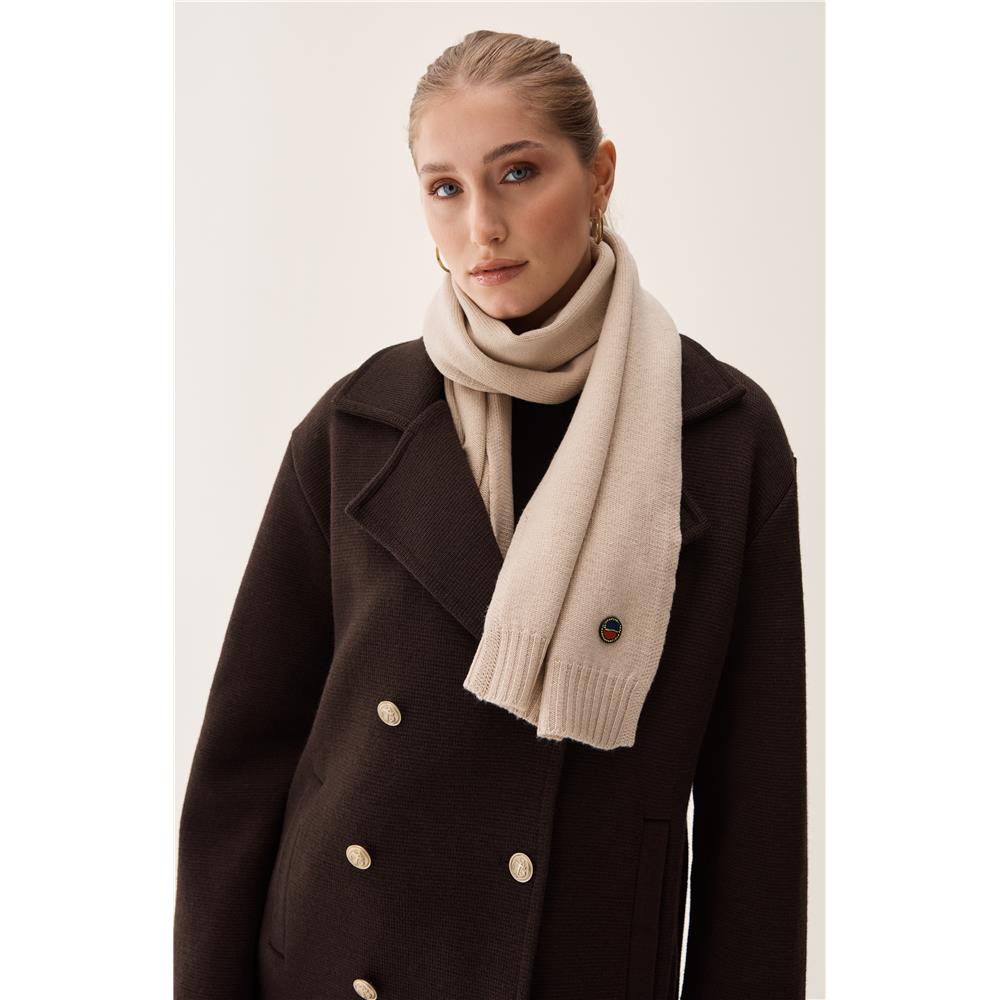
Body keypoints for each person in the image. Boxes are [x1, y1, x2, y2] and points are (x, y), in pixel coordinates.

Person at [174, 29, 808, 1000]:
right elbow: (242, 768)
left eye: (517, 173)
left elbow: (755, 814)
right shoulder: (357, 425)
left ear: (598, 177)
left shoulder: (722, 437)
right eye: (445, 187)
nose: (482, 224)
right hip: (338, 962)